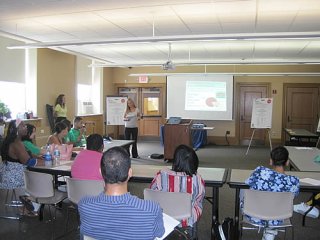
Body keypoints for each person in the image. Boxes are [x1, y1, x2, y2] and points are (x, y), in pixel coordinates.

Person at [78, 146, 165, 240]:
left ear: (100, 172)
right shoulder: (151, 209)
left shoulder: (84, 204)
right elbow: (160, 233)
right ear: (130, 173)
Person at [242, 146, 300, 240]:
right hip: (278, 217)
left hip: (253, 213)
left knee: (244, 190)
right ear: (287, 162)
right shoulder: (294, 181)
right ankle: (271, 230)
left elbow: (248, 182)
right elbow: (294, 196)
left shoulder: (260, 171)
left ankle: (269, 230)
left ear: (271, 161)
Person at [150, 144, 205, 231]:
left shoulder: (160, 176)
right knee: (197, 203)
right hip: (186, 221)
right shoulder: (197, 179)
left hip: (164, 219)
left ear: (175, 160)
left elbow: (152, 195)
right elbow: (199, 198)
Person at [0, 119, 43, 215]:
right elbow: (28, 161)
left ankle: (28, 201)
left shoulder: (8, 140)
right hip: (15, 177)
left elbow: (23, 156)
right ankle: (30, 208)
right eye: (23, 126)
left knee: (36, 177)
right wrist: (45, 162)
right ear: (15, 129)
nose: (26, 127)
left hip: (6, 175)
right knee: (41, 180)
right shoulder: (16, 143)